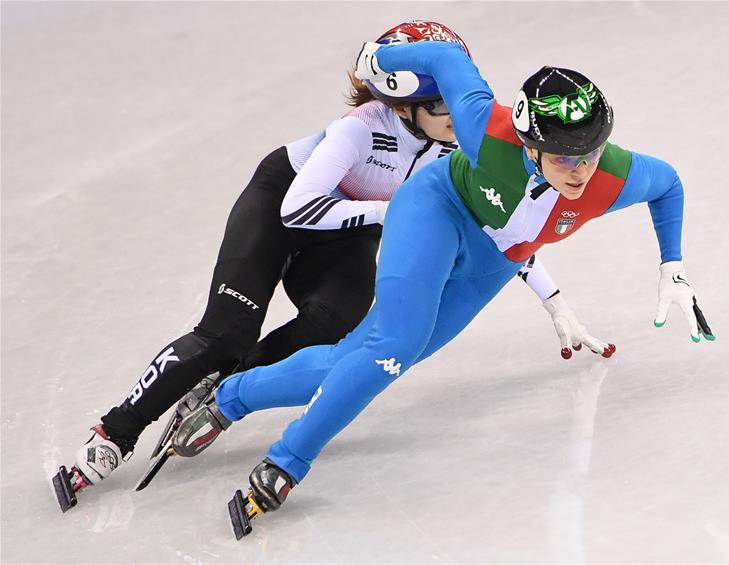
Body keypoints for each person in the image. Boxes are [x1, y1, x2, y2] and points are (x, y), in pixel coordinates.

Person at [52, 22, 598, 511]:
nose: (459, 119)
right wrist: (396, 208)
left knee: (340, 320)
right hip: (280, 209)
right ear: (404, 105)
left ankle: (227, 387)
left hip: (345, 234)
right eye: (442, 110)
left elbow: (496, 227)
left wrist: (551, 297)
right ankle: (114, 432)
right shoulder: (361, 128)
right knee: (225, 332)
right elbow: (297, 207)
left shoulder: (452, 150)